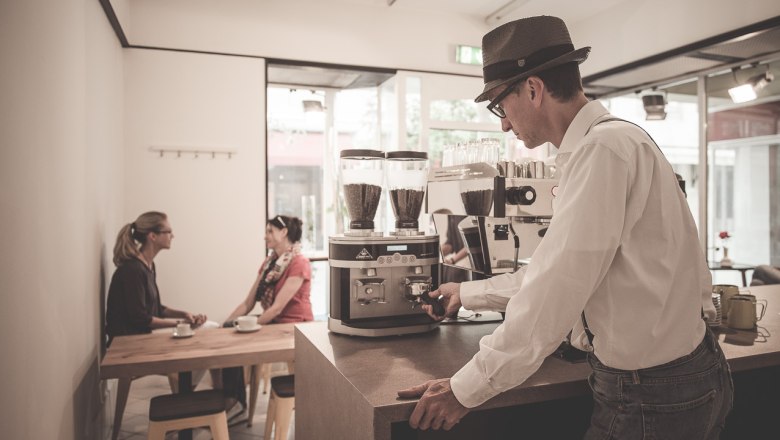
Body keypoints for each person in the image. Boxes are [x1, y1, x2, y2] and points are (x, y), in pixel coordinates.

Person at [397, 16, 733, 438]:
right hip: (686, 372)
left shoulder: (602, 152)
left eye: (501, 105)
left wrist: (464, 389)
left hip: (654, 393)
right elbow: (555, 271)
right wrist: (466, 293)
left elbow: (553, 293)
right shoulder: (618, 142)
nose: (503, 122)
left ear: (534, 89)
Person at [217, 214, 313, 412]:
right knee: (227, 331)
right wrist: (226, 324)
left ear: (284, 232)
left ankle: (233, 400)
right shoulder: (269, 264)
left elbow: (277, 308)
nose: (265, 236)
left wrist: (249, 326)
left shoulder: (299, 263)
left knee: (236, 337)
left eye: (270, 231)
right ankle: (233, 398)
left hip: (293, 326)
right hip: (274, 321)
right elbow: (247, 303)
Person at [106, 211, 207, 346]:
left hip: (140, 342)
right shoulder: (133, 270)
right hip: (126, 347)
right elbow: (141, 318)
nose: (173, 236)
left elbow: (156, 309)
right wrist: (182, 324)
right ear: (153, 236)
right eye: (169, 232)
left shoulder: (148, 266)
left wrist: (185, 315)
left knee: (204, 333)